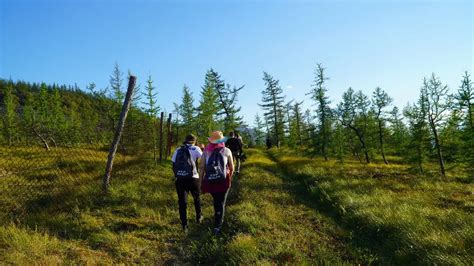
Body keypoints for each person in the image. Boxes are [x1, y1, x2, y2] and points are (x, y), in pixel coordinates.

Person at [200, 131, 234, 235]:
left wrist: (201, 182)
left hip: (211, 181)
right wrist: (229, 177)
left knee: (216, 201)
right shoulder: (227, 150)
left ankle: (217, 219)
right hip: (223, 181)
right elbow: (232, 167)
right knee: (221, 202)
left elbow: (201, 168)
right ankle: (217, 226)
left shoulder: (206, 151)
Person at [171, 134, 203, 232]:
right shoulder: (196, 148)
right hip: (193, 178)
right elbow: (203, 161)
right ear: (194, 140)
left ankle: (184, 225)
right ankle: (199, 217)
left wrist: (178, 175)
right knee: (196, 197)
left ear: (185, 140)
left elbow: (173, 163)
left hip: (180, 179)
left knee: (182, 202)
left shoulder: (178, 150)